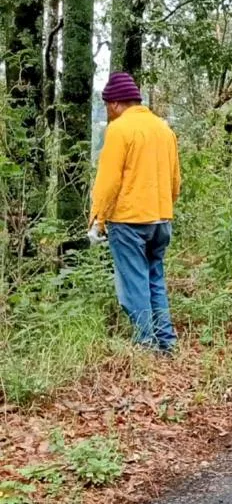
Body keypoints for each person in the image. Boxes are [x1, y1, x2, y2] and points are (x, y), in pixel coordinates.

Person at [88, 72, 181, 353]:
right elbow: (175, 180)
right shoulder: (164, 129)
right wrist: (164, 207)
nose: (109, 113)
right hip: (161, 218)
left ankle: (146, 345)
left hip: (129, 220)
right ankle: (166, 344)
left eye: (107, 107)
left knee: (134, 284)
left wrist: (97, 221)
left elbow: (109, 181)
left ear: (115, 103)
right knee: (155, 278)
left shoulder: (119, 130)